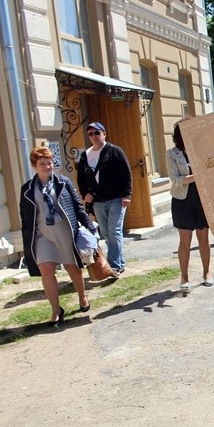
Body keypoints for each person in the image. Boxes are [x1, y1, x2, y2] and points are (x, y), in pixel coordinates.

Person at [21, 146, 96, 324]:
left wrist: (90, 228)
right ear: (34, 166)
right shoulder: (27, 190)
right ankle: (56, 310)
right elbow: (25, 217)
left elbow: (78, 207)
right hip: (42, 236)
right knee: (46, 270)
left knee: (72, 268)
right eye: (42, 164)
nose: (47, 167)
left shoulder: (63, 182)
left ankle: (82, 296)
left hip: (64, 232)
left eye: (49, 163)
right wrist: (27, 241)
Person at [76, 121, 132, 274]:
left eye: (97, 133)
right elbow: (81, 178)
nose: (94, 136)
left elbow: (126, 173)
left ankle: (114, 266)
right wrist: (84, 193)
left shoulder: (114, 151)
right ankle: (119, 262)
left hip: (116, 199)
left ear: (104, 134)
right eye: (90, 134)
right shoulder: (85, 156)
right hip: (98, 201)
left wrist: (127, 194)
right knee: (106, 233)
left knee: (114, 231)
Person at [166, 120, 212, 291]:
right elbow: (176, 180)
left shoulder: (201, 151)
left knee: (204, 238)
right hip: (182, 200)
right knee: (185, 239)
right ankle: (184, 277)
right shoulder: (172, 154)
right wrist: (197, 176)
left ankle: (207, 272)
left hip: (201, 198)